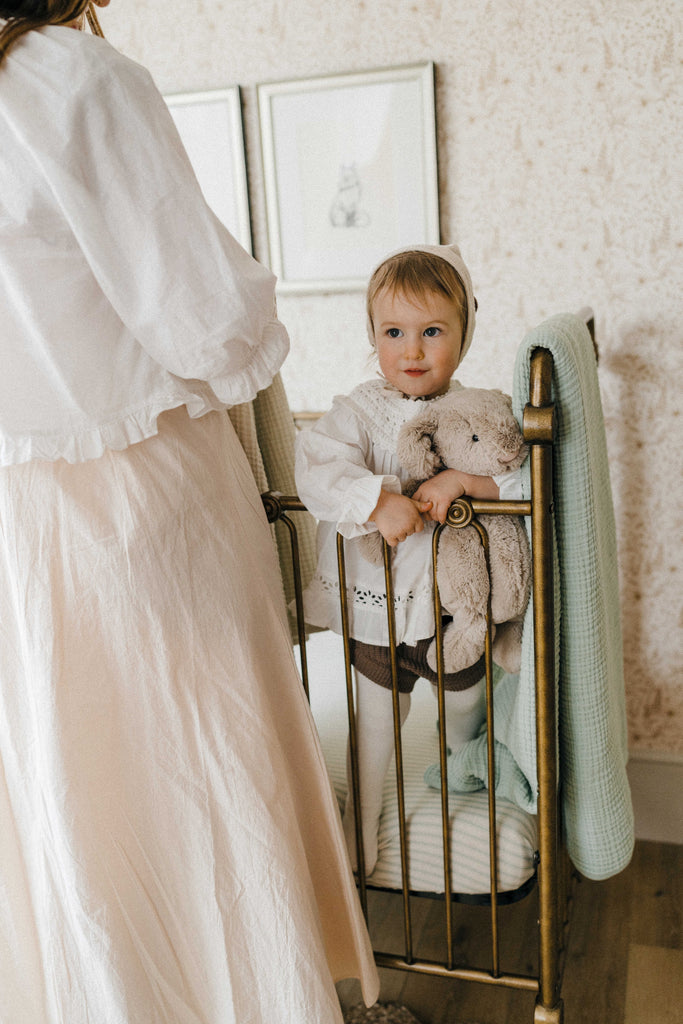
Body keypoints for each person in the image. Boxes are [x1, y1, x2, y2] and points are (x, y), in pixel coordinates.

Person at [0, 3, 379, 1022]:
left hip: (18, 526)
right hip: (138, 500)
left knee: (75, 804)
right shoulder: (73, 79)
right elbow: (213, 323)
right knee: (199, 784)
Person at [295, 244, 522, 873]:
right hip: (383, 610)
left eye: (431, 332)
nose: (412, 350)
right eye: (394, 332)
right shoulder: (360, 412)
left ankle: (463, 759)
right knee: (375, 722)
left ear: (464, 335)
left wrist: (463, 484)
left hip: (455, 616)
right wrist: (373, 502)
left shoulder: (478, 412)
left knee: (463, 706)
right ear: (373, 336)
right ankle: (359, 819)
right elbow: (313, 466)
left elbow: (520, 480)